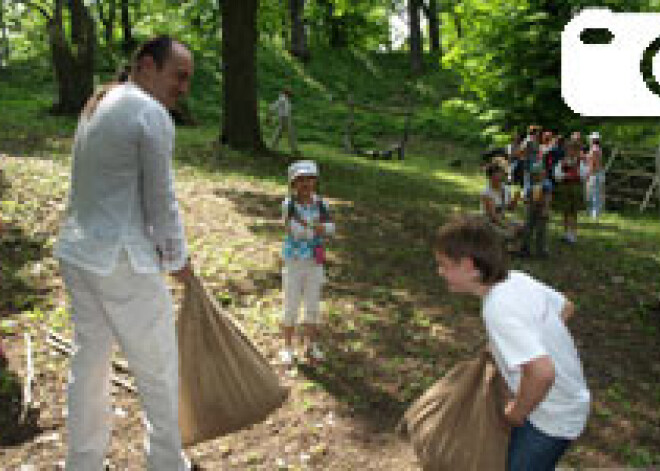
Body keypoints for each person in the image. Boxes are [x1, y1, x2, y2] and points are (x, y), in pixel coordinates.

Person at [54, 36, 194, 471]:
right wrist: (178, 259)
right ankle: (167, 463)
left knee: (90, 363)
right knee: (157, 369)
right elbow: (161, 200)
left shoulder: (101, 102)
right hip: (121, 260)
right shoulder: (148, 112)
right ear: (147, 65)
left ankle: (83, 463)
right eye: (179, 75)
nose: (184, 87)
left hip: (78, 251)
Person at [433, 215, 590, 471]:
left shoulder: (497, 308)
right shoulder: (516, 279)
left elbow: (541, 373)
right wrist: (524, 343)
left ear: (470, 266)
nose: (439, 272)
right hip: (567, 401)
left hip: (550, 417)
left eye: (444, 265)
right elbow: (566, 307)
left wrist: (516, 413)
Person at [280, 160, 334, 365]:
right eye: (300, 180)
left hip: (315, 262)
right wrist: (318, 228)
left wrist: (317, 228)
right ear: (293, 183)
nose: (306, 184)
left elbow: (331, 228)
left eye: (310, 179)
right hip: (294, 262)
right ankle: (287, 347)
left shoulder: (321, 204)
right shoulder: (289, 205)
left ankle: (311, 345)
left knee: (313, 305)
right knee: (291, 305)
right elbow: (296, 232)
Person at [554, 133, 586, 244]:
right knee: (565, 212)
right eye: (569, 150)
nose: (571, 152)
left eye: (574, 150)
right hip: (565, 188)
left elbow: (584, 175)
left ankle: (573, 234)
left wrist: (576, 175)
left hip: (575, 189)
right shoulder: (562, 162)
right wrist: (564, 176)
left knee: (573, 212)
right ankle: (566, 233)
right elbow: (556, 175)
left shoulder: (580, 163)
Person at [480, 162, 522, 241]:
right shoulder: (486, 193)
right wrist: (507, 226)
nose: (501, 176)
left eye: (501, 173)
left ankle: (514, 248)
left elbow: (510, 209)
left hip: (501, 220)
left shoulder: (505, 189)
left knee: (523, 226)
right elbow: (492, 216)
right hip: (489, 223)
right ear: (490, 177)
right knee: (510, 233)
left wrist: (516, 199)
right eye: (498, 174)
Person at [520, 161, 552, 258]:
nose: (536, 176)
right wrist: (525, 200)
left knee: (541, 230)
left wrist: (545, 209)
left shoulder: (546, 184)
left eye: (539, 174)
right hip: (531, 208)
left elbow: (547, 197)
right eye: (534, 174)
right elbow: (526, 196)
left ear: (544, 174)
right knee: (528, 228)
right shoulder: (530, 185)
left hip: (541, 208)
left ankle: (540, 249)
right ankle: (525, 247)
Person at [269, 88, 300, 155]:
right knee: (290, 133)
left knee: (280, 132)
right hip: (284, 118)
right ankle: (294, 149)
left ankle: (273, 146)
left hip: (285, 117)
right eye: (290, 94)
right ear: (286, 93)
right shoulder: (282, 99)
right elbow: (273, 107)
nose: (290, 96)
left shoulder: (285, 99)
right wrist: (270, 115)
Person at [586, 131, 605, 219]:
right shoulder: (598, 149)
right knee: (597, 193)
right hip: (599, 173)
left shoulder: (594, 150)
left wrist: (589, 174)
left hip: (594, 173)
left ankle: (594, 214)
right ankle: (595, 213)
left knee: (593, 193)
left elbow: (593, 164)